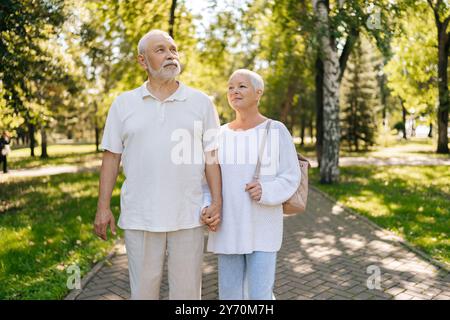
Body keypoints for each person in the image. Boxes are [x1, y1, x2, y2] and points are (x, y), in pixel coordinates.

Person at [94, 29, 222, 300]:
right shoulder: (123, 104)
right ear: (142, 61)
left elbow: (212, 157)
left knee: (188, 297)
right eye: (160, 50)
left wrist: (217, 202)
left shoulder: (201, 102)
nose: (170, 55)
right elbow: (111, 157)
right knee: (142, 294)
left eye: (173, 49)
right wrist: (103, 207)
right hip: (141, 215)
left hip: (189, 215)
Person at [201, 69, 300, 300]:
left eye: (242, 86)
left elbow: (291, 176)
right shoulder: (219, 134)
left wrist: (266, 190)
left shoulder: (276, 130)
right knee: (229, 294)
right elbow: (207, 181)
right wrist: (207, 207)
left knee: (259, 295)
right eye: (230, 87)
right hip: (228, 226)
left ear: (258, 93)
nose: (234, 91)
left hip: (262, 227)